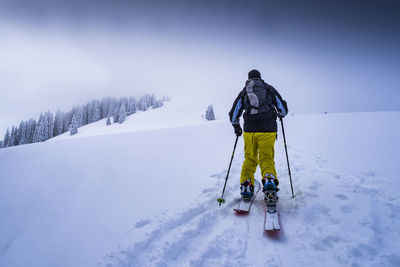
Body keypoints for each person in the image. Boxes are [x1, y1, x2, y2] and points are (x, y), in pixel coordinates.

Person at [229, 69, 288, 200]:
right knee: (266, 158)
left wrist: (236, 127)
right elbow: (283, 109)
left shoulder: (245, 91)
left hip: (250, 130)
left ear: (249, 79)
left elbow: (234, 113)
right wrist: (280, 114)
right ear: (260, 78)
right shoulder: (268, 88)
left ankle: (246, 185)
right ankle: (269, 182)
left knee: (250, 159)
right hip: (268, 129)